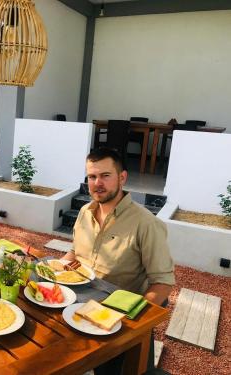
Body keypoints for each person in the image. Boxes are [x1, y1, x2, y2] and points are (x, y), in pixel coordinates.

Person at [63, 147, 175, 374]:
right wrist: (61, 265)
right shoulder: (85, 211)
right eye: (92, 177)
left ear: (122, 177)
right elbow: (74, 251)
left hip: (116, 314)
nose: (97, 183)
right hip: (77, 301)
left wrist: (132, 323)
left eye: (105, 175)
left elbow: (162, 282)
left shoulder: (146, 224)